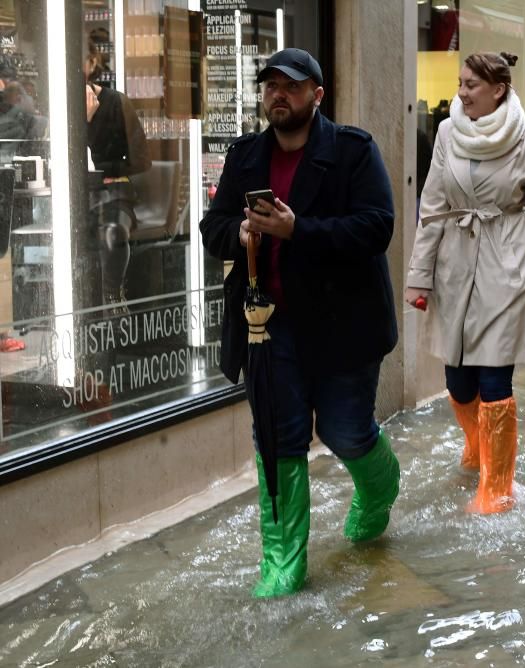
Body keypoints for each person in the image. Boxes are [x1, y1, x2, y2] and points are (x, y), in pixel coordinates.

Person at [199, 48, 400, 598]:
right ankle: (282, 564)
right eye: (269, 86)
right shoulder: (246, 156)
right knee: (278, 440)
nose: (277, 95)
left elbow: (376, 227)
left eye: (290, 85)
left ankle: (380, 486)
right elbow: (211, 225)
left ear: (317, 94)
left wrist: (297, 230)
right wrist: (239, 237)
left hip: (344, 326)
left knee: (345, 431)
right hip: (270, 327)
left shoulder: (353, 151)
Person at [404, 52, 525, 515]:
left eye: (471, 85)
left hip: (510, 269)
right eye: (461, 83)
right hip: (454, 267)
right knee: (457, 379)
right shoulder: (447, 132)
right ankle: (479, 446)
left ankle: (496, 488)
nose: (461, 93)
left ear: (498, 89)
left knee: (494, 376)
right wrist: (419, 276)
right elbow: (433, 206)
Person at [85, 30, 150, 312]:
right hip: (77, 194)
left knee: (111, 231)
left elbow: (142, 159)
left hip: (115, 191)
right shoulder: (60, 110)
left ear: (91, 63)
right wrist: (84, 122)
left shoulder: (116, 103)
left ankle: (112, 295)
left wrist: (103, 169)